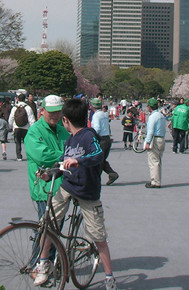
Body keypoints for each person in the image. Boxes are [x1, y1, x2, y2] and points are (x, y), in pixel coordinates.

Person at [33, 98, 117, 290]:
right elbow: (63, 164)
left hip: (88, 193)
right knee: (49, 223)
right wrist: (49, 174)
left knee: (99, 237)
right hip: (68, 187)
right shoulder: (69, 140)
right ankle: (43, 263)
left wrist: (79, 161)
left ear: (66, 120)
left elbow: (97, 155)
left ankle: (110, 278)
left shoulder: (89, 136)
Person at [24, 95, 70, 220]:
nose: (55, 115)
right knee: (45, 230)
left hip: (62, 187)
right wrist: (65, 157)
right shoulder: (34, 131)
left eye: (58, 112)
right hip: (44, 188)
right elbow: (43, 156)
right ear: (42, 111)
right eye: (51, 112)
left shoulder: (62, 130)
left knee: (56, 229)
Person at [91, 98, 119, 185]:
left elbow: (97, 128)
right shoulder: (105, 114)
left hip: (101, 139)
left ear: (92, 106)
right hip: (107, 138)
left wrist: (92, 137)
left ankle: (96, 180)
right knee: (102, 160)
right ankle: (112, 174)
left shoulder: (96, 115)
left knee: (98, 160)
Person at [144, 98, 166, 188]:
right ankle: (156, 179)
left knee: (153, 161)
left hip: (155, 139)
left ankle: (155, 182)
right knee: (158, 160)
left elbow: (150, 131)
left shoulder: (153, 117)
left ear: (150, 107)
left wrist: (147, 142)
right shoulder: (161, 115)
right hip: (161, 138)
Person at [8, 94, 35, 161]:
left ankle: (19, 156)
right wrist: (33, 129)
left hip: (16, 127)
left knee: (18, 142)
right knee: (27, 143)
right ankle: (29, 155)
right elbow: (31, 119)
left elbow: (11, 118)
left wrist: (10, 126)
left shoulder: (14, 108)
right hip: (26, 128)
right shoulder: (28, 107)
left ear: (18, 99)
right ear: (25, 99)